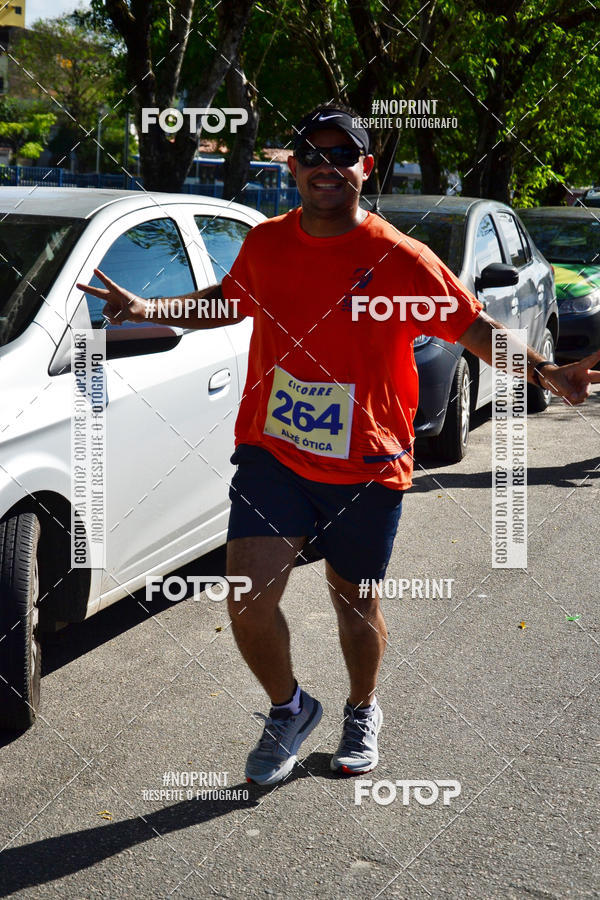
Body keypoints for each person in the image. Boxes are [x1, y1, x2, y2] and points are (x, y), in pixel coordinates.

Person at [78, 104, 600, 787]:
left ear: (366, 167)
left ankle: (362, 707)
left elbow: (473, 329)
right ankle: (290, 708)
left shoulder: (401, 259)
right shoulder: (266, 243)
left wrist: (544, 370)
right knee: (247, 597)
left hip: (368, 463)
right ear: (292, 167)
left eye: (342, 156)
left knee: (354, 602)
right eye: (313, 155)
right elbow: (226, 301)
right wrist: (150, 309)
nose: (327, 167)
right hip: (275, 453)